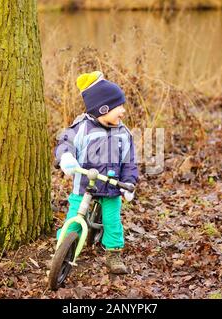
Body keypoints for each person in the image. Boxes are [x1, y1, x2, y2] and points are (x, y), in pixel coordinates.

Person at [54, 71, 139, 274]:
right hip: (84, 186)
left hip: (111, 187)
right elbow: (65, 143)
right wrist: (66, 158)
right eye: (118, 107)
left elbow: (129, 162)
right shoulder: (82, 128)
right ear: (103, 108)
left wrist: (129, 183)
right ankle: (62, 248)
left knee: (112, 220)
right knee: (75, 217)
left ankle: (113, 253)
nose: (123, 111)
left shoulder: (124, 133)